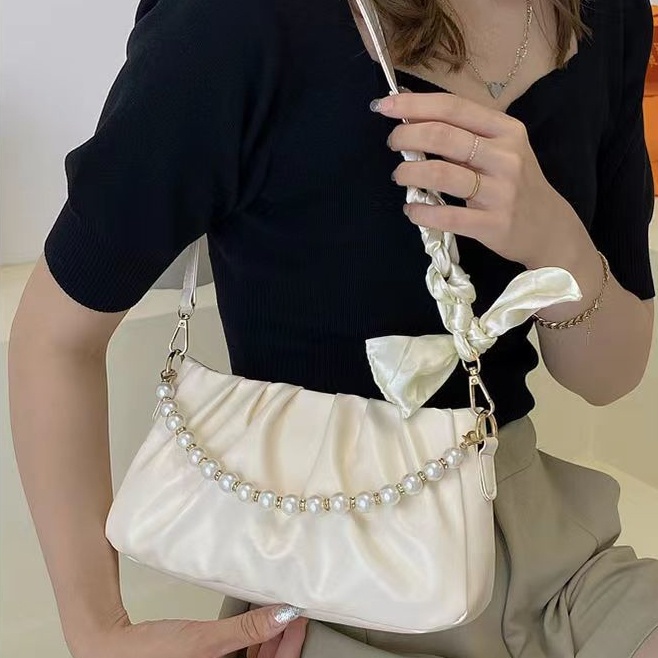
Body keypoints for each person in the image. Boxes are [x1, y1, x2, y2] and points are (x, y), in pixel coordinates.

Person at [8, 0, 658, 655]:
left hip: (560, 571)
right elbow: (56, 338)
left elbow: (607, 377)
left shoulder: (607, 15)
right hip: (330, 589)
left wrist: (557, 243)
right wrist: (95, 631)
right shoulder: (233, 22)